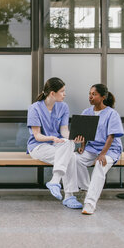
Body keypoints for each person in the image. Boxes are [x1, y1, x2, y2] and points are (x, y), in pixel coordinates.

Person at [27, 77, 84, 209]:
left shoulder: (63, 107)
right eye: (62, 91)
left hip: (58, 144)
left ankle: (54, 181)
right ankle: (69, 196)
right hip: (38, 146)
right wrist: (52, 138)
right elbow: (37, 135)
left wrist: (74, 138)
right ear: (52, 93)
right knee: (72, 156)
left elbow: (64, 131)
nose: (65, 94)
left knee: (69, 144)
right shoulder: (34, 108)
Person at [76, 84, 124, 215]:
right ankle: (87, 189)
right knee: (75, 159)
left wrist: (103, 154)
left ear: (103, 97)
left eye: (94, 94)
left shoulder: (112, 114)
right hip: (92, 148)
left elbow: (111, 136)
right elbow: (84, 134)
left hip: (110, 149)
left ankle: (90, 203)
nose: (90, 97)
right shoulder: (86, 112)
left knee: (99, 164)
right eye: (90, 94)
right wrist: (82, 147)